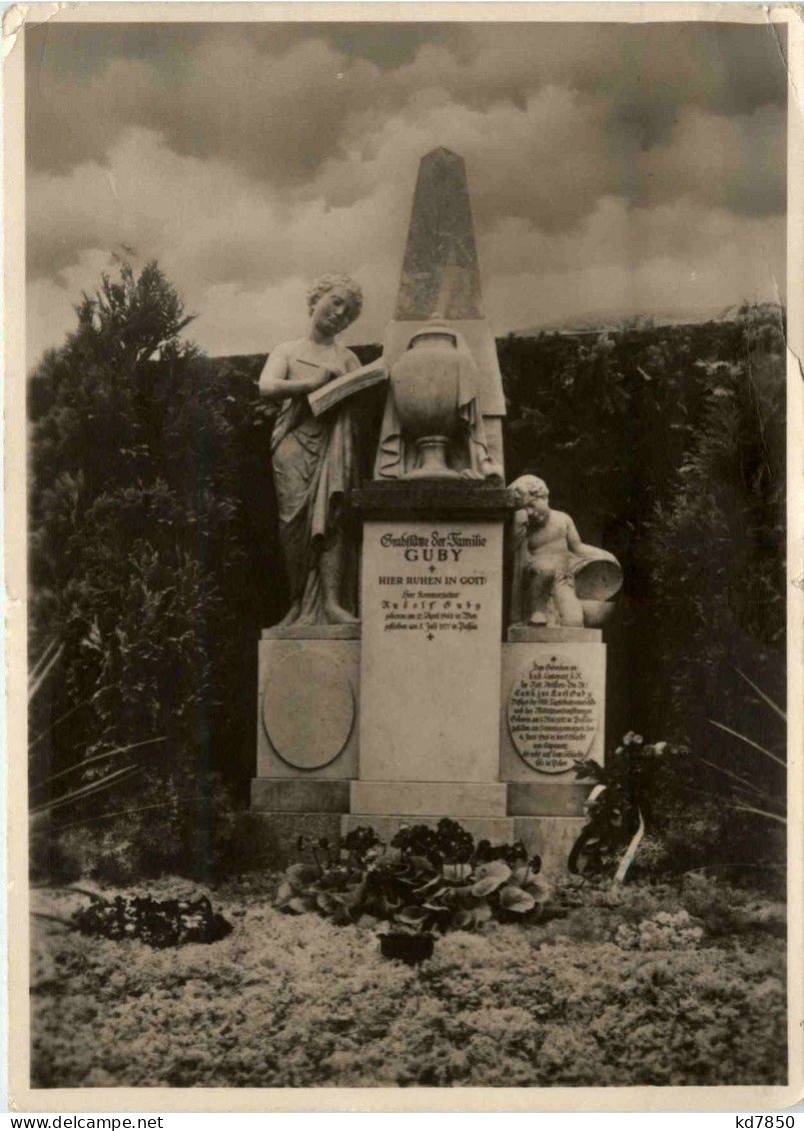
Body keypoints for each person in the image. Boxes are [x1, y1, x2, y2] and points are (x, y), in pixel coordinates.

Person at [258, 274, 363, 626]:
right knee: (292, 522)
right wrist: (312, 384)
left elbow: (357, 402)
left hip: (334, 444)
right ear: (316, 298)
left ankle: (332, 603)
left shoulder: (348, 358)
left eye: (348, 313)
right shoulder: (287, 350)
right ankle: (297, 602)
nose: (340, 313)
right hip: (292, 442)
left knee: (332, 517)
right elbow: (267, 387)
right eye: (335, 302)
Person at [508, 475, 621, 627]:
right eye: (524, 509)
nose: (530, 513)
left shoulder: (563, 519)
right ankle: (538, 612)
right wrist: (518, 526)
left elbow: (577, 548)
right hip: (536, 577)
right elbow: (513, 552)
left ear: (544, 498)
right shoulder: (526, 527)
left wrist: (603, 555)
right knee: (546, 569)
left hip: (562, 579)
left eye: (532, 505)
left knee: (573, 621)